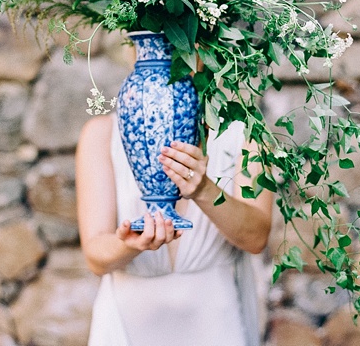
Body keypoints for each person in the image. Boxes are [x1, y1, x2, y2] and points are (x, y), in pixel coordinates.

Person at [76, 112, 273, 346]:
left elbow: (256, 238)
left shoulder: (246, 133)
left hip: (215, 328)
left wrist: (203, 189)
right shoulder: (102, 133)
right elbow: (95, 257)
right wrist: (128, 244)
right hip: (126, 330)